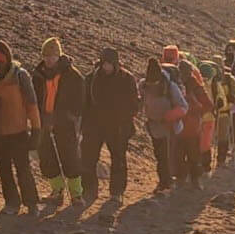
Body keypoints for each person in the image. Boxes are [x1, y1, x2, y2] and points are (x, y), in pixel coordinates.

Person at [0, 41, 41, 215]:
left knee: (23, 169)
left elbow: (31, 104)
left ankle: (31, 203)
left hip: (18, 133)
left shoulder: (20, 76)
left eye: (0, 62)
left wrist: (36, 130)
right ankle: (11, 203)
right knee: (4, 171)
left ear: (7, 61)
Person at [32, 37, 87, 208]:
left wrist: (70, 116)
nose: (48, 59)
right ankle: (57, 191)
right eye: (46, 56)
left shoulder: (72, 74)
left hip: (65, 122)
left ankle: (77, 194)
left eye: (52, 56)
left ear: (58, 55)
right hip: (44, 121)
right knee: (47, 157)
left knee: (70, 156)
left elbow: (81, 99)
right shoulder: (38, 74)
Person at [80, 47, 138, 203]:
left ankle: (116, 193)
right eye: (104, 63)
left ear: (116, 63)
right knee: (88, 158)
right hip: (94, 124)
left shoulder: (126, 79)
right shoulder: (91, 78)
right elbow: (84, 103)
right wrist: (83, 125)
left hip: (117, 126)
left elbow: (134, 104)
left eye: (110, 64)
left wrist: (124, 120)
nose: (107, 67)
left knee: (118, 160)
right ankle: (89, 190)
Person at [139, 57, 186, 194]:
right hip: (154, 126)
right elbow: (141, 100)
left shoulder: (170, 87)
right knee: (160, 155)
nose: (153, 85)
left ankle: (166, 183)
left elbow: (183, 106)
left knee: (167, 156)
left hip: (170, 127)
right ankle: (164, 182)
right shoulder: (144, 85)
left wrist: (169, 116)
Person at [170, 51, 210, 186]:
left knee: (191, 155)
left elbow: (207, 103)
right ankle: (187, 179)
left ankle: (191, 179)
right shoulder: (178, 85)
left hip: (188, 126)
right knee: (183, 155)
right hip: (184, 126)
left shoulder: (190, 86)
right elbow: (207, 104)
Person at [203, 60, 235, 168]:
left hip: (224, 113)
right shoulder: (209, 81)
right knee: (208, 138)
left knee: (223, 137)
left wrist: (232, 100)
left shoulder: (228, 79)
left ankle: (221, 159)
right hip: (210, 115)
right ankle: (207, 161)